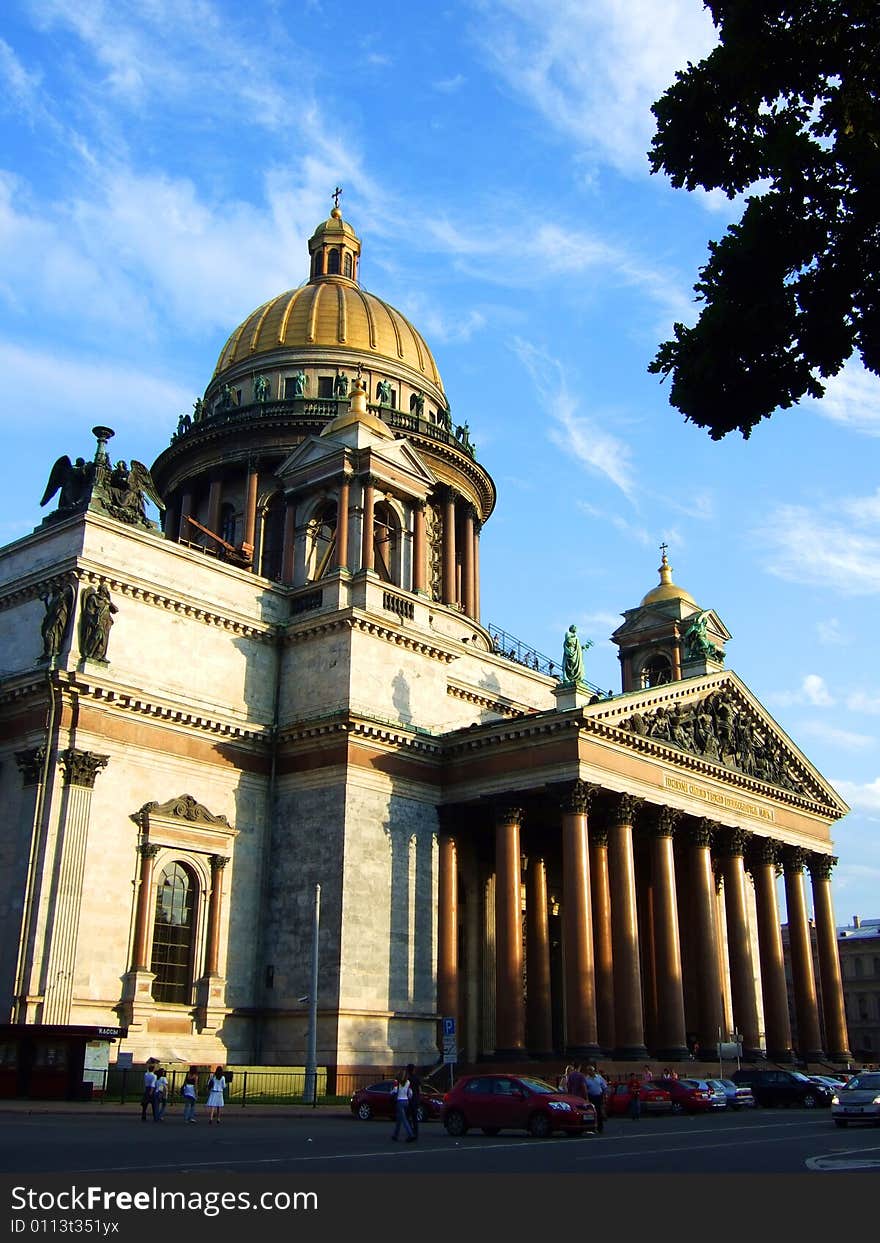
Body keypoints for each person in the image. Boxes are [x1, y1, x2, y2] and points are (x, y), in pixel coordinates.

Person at [390, 1069, 415, 1142]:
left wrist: (390, 1093)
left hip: (399, 1101)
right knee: (399, 1118)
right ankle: (395, 1135)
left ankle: (411, 1134)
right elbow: (410, 1092)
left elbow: (394, 1091)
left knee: (404, 1119)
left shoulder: (397, 1082)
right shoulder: (408, 1082)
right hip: (406, 1100)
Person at [584, 1065, 608, 1134]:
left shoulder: (599, 1077)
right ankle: (593, 1127)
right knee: (592, 1113)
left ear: (593, 1070)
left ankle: (600, 1128)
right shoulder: (586, 1079)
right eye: (588, 1070)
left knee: (599, 1112)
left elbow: (604, 1087)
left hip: (599, 1096)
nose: (589, 1072)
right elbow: (585, 1089)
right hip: (591, 1097)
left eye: (590, 1070)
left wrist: (605, 1095)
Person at [405, 1063, 422, 1140]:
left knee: (407, 1117)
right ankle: (415, 1133)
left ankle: (411, 1133)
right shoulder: (416, 1078)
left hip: (409, 1100)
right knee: (414, 1118)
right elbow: (419, 1089)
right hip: (415, 1099)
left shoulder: (407, 1079)